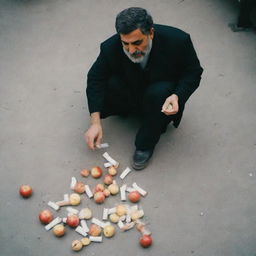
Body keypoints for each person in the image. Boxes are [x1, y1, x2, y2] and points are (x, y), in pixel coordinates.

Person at [85, 7, 203, 170]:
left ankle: (145, 144)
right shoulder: (109, 47)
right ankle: (132, 109)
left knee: (159, 92)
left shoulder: (178, 40)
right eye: (125, 44)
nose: (131, 50)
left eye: (137, 43)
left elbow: (193, 72)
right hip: (132, 89)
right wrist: (95, 122)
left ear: (151, 33)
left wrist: (177, 95)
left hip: (161, 96)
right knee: (110, 82)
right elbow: (95, 78)